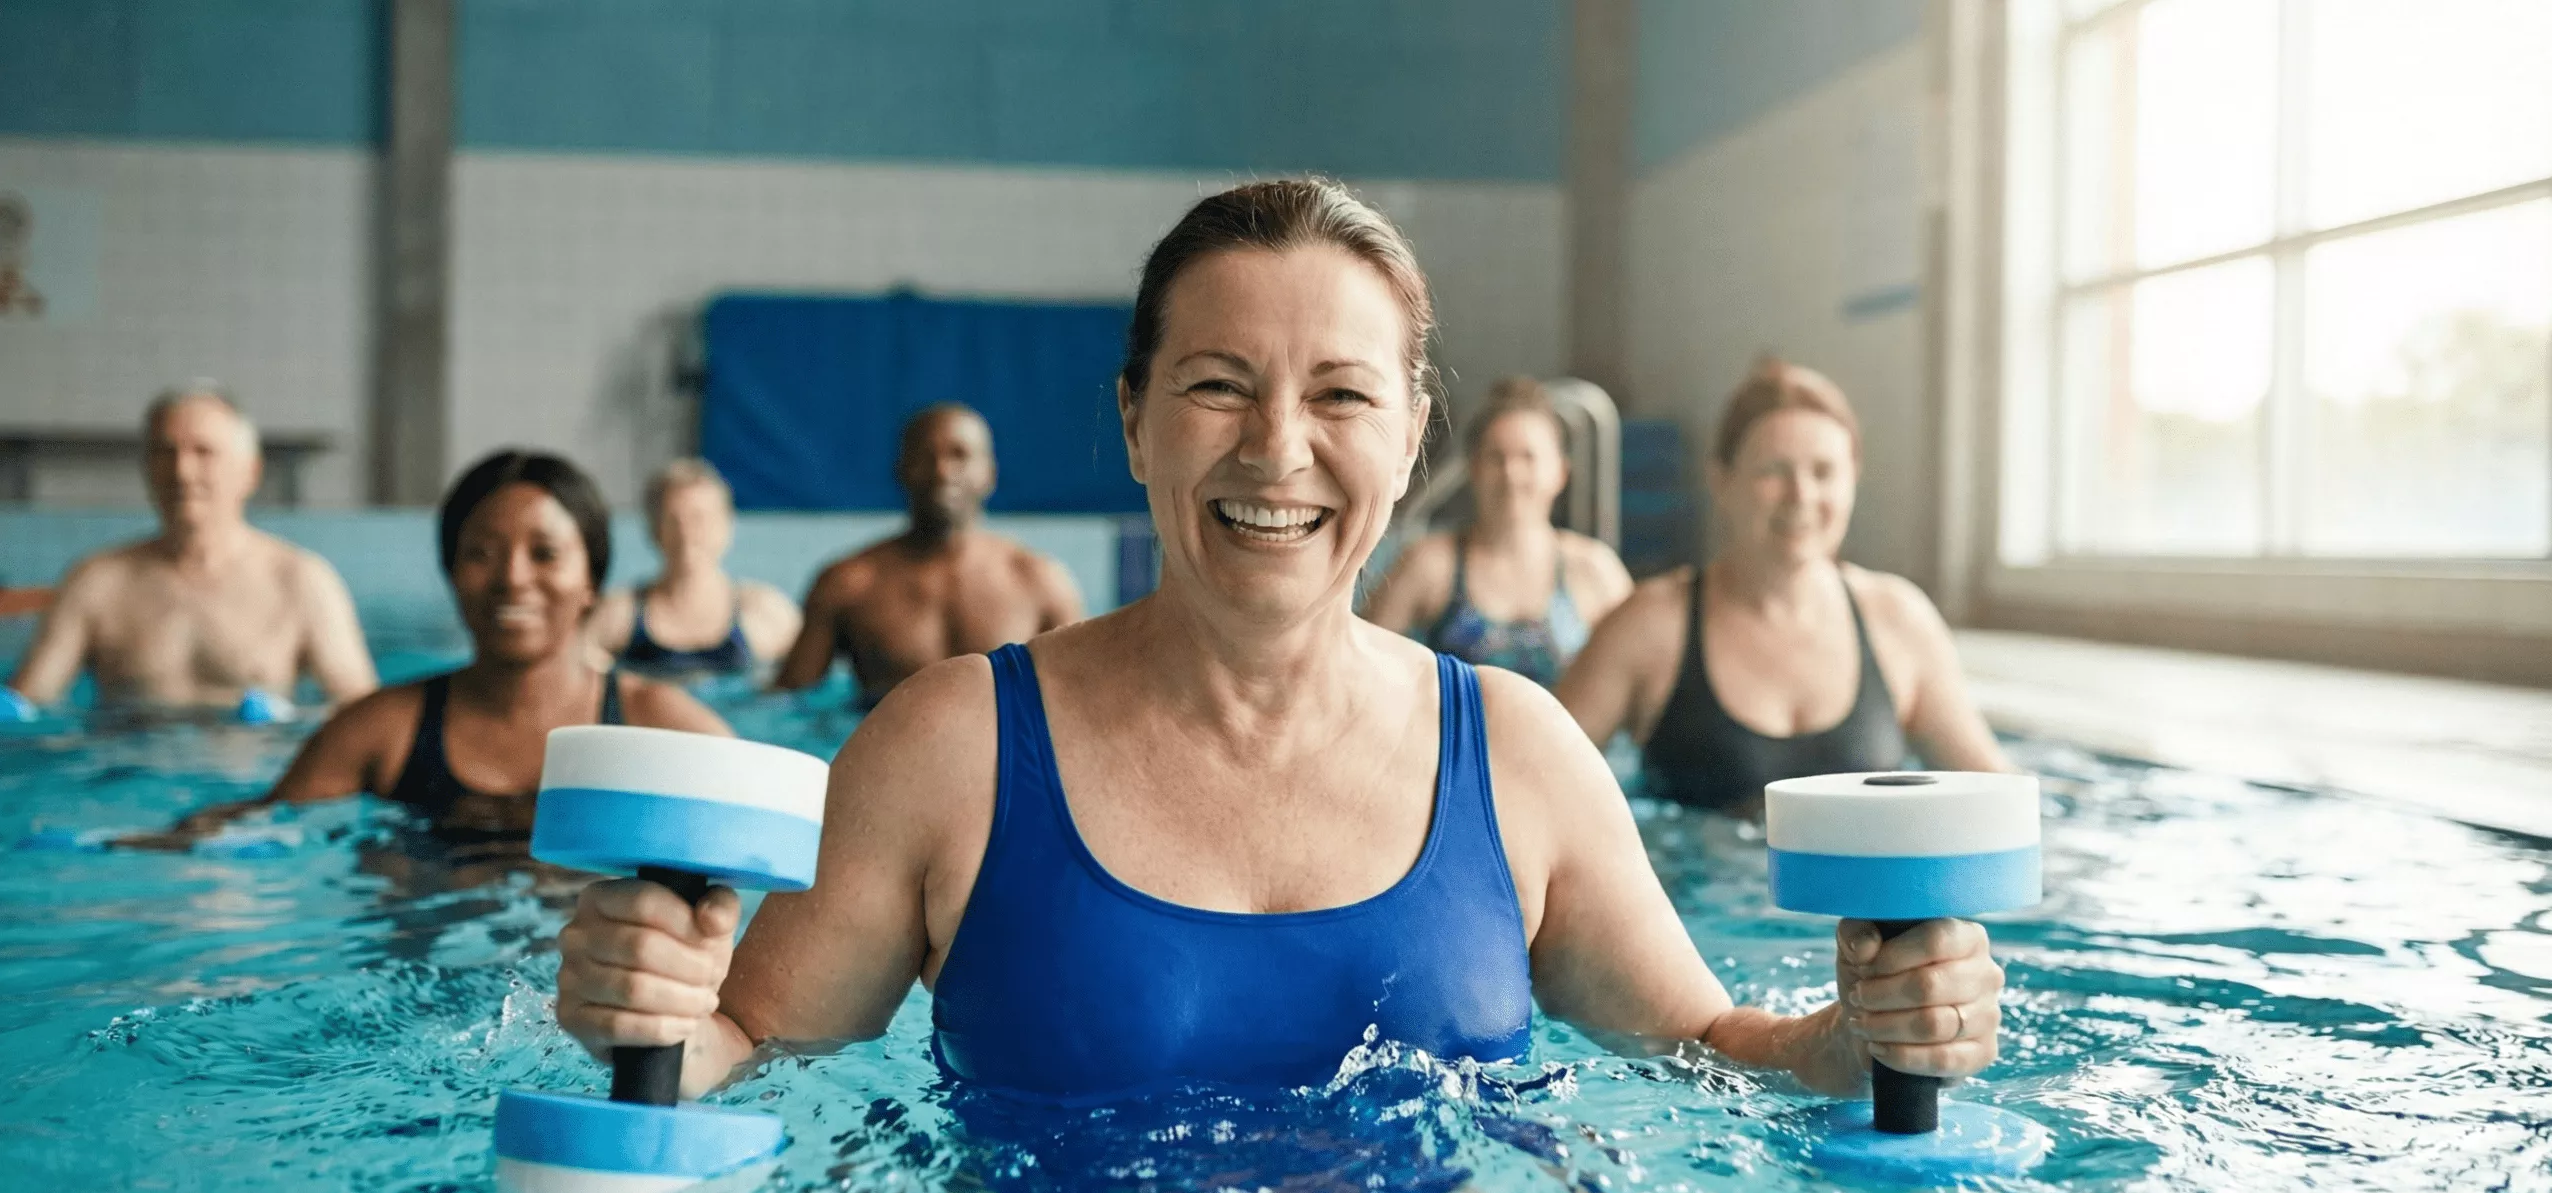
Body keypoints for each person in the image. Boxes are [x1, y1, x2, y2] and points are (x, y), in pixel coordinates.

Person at [554, 182, 2003, 1133]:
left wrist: (1857, 1030)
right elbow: (743, 1043)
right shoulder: (954, 748)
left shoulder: (1516, 752)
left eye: (1341, 395)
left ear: (1409, 433)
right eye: (1215, 385)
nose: (1277, 449)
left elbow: (1707, 1043)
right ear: (1133, 422)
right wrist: (650, 1002)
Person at [142, 451, 728, 847]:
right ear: (451, 571)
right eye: (482, 553)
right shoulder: (384, 731)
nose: (512, 579)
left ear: (591, 580)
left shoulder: (661, 723)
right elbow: (259, 821)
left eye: (545, 554)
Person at [1554, 358, 2009, 817]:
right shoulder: (1651, 626)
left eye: (1824, 472)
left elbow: (1997, 797)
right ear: (1721, 480)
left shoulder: (1899, 621)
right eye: (1774, 471)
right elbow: (1534, 776)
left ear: (1852, 481)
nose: (1802, 495)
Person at [7, 385, 376, 710]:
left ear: (250, 471)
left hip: (252, 778)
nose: (182, 471)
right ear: (147, 469)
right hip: (126, 775)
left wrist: (290, 721)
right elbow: (27, 705)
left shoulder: (302, 581)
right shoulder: (97, 582)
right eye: (165, 452)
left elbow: (360, 714)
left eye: (204, 452)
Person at [771, 402, 1083, 705]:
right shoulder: (848, 586)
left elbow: (1083, 695)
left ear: (988, 473)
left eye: (959, 455)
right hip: (885, 751)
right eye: (925, 456)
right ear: (901, 470)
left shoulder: (1041, 583)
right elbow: (786, 705)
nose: (942, 470)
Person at [1360, 377, 1633, 686]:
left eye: (1528, 457)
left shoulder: (1596, 571)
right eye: (1496, 458)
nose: (1511, 474)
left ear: (1560, 472)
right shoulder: (1430, 565)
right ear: (1473, 469)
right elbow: (1360, 662)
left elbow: (1642, 681)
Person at [587, 458, 800, 674]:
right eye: (674, 520)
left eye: (699, 519)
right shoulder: (617, 616)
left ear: (727, 528)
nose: (686, 534)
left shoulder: (768, 614)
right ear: (654, 530)